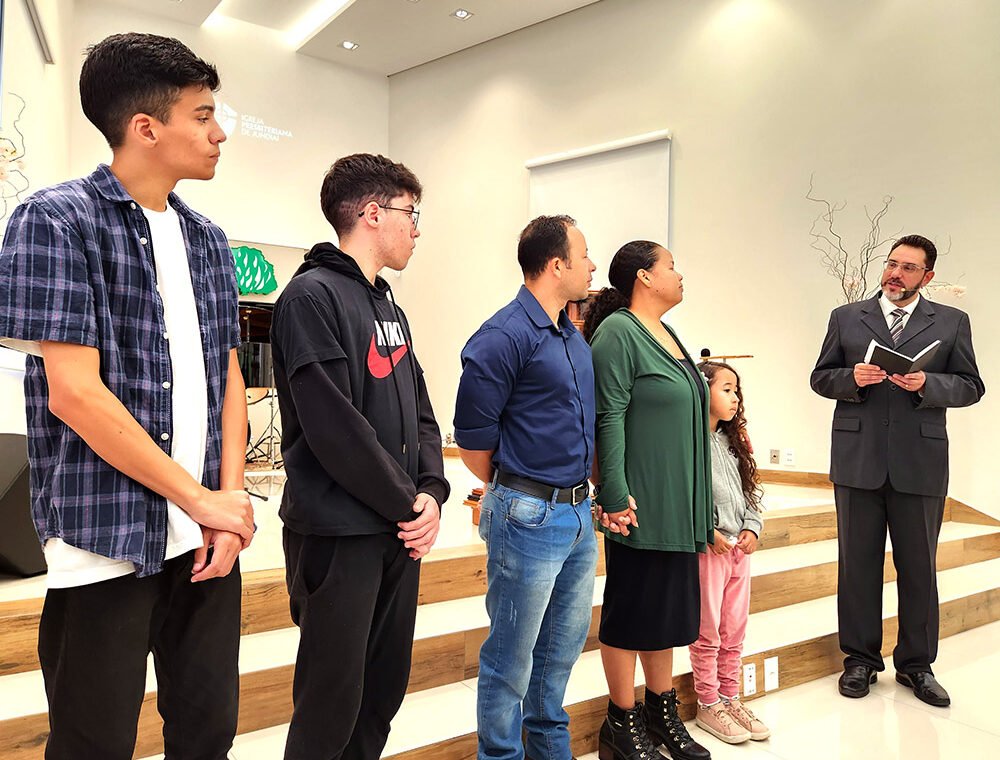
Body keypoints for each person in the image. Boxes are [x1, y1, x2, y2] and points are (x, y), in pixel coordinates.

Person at [0, 33, 252, 759]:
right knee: (94, 740)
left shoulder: (208, 239)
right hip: (105, 537)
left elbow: (228, 377)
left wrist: (228, 503)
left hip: (205, 538)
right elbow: (74, 395)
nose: (219, 132)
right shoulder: (55, 220)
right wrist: (201, 500)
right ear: (146, 127)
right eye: (202, 115)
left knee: (208, 731)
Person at [270, 153, 450, 759]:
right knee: (331, 704)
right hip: (339, 532)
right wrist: (409, 504)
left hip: (396, 532)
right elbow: (334, 428)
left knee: (381, 694)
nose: (417, 229)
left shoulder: (389, 307)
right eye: (410, 213)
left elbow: (421, 411)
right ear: (373, 214)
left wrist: (433, 491)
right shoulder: (310, 297)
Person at [811, 234, 985, 707]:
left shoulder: (951, 322)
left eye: (908, 267)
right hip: (857, 460)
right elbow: (820, 377)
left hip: (921, 463)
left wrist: (929, 383)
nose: (896, 273)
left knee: (919, 568)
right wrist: (851, 379)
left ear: (927, 276)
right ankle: (859, 660)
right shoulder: (846, 317)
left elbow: (971, 386)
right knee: (857, 565)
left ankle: (916, 665)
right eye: (892, 264)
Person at [454, 215, 597, 760]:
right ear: (556, 264)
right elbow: (473, 444)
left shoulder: (570, 336)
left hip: (577, 514)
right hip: (528, 514)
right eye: (584, 255)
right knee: (510, 661)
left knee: (559, 653)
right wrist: (518, 491)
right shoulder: (503, 336)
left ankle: (549, 749)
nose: (591, 266)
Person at [584, 241, 712, 760]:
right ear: (644, 277)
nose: (680, 274)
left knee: (666, 615)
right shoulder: (618, 332)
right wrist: (614, 495)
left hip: (678, 504)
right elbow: (608, 415)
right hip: (640, 504)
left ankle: (661, 712)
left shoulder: (667, 332)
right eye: (671, 266)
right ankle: (620, 722)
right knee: (631, 614)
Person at [689, 361, 769, 744]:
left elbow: (750, 492)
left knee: (734, 629)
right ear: (702, 391)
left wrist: (752, 526)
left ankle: (730, 697)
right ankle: (708, 703)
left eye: (736, 390)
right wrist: (708, 531)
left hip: (739, 550)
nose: (735, 397)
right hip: (710, 551)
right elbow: (685, 497)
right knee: (708, 631)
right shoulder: (689, 442)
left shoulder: (731, 442)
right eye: (726, 389)